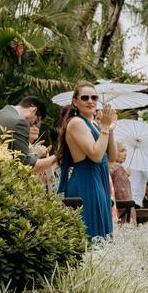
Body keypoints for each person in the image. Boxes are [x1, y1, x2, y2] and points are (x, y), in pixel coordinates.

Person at [56, 83, 117, 240]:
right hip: (86, 182)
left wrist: (109, 129)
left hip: (99, 182)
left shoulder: (95, 124)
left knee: (102, 237)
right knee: (91, 236)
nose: (90, 101)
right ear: (75, 102)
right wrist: (104, 127)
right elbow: (96, 156)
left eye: (94, 97)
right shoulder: (76, 122)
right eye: (85, 97)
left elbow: (111, 157)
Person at [0, 96, 56, 172]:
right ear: (34, 110)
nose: (32, 125)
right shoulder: (19, 123)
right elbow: (27, 165)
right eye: (35, 121)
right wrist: (58, 157)